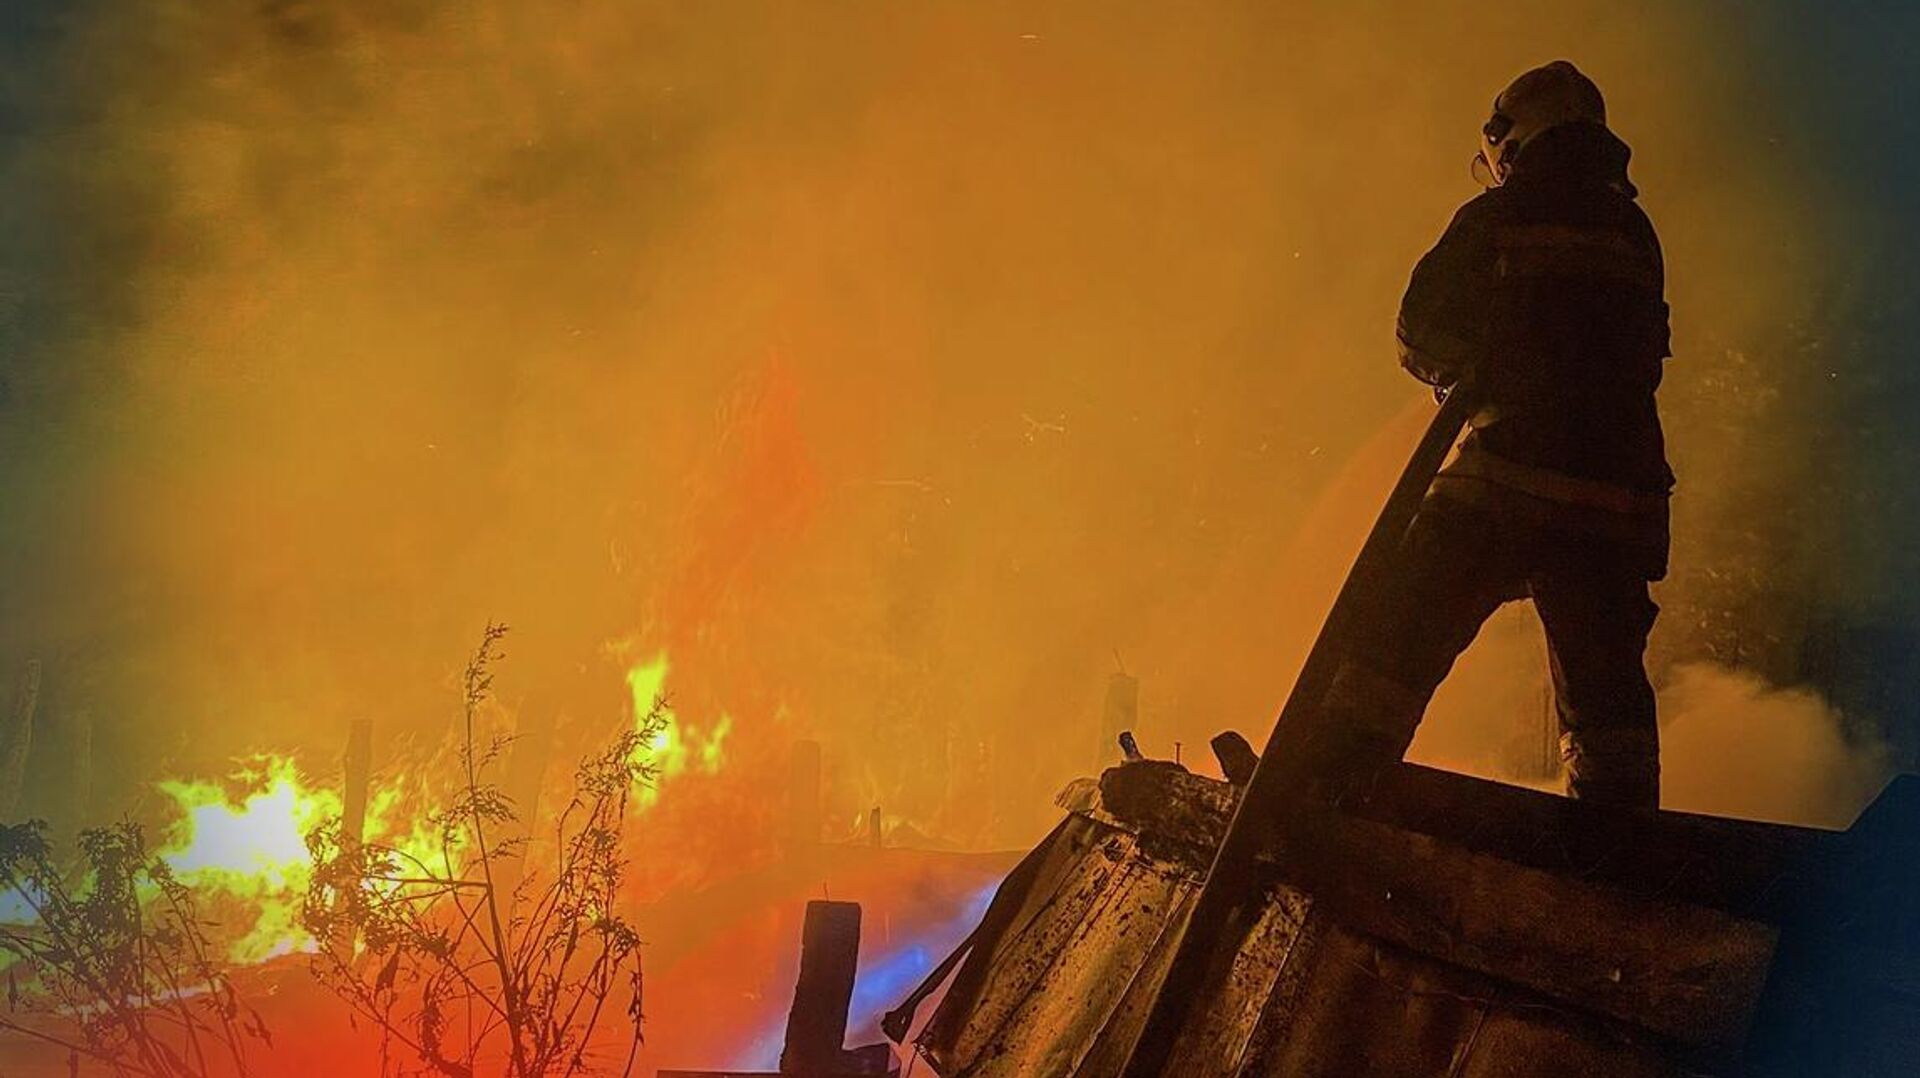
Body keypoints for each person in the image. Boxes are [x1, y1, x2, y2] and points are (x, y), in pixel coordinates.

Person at [1317, 60, 1673, 809]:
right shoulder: (1634, 231)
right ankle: (1620, 837)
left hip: (1507, 474)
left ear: (1515, 139)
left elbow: (1420, 328)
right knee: (1607, 693)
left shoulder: (1500, 215)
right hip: (1617, 499)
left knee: (1401, 622)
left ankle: (1331, 783)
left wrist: (1472, 370)